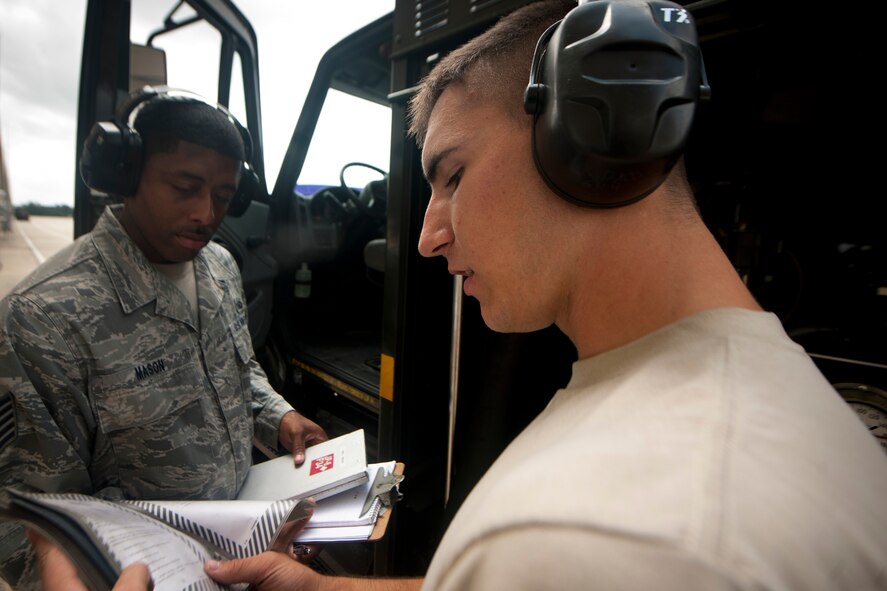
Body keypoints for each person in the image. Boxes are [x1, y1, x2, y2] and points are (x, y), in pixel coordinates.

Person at [33, 0, 887, 589]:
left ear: (588, 136)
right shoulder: (758, 390)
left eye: (450, 174)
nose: (424, 232)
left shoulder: (584, 536)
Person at [0, 88, 327, 588]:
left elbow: (240, 371)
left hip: (247, 547)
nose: (206, 214)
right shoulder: (43, 317)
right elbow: (28, 518)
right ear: (126, 176)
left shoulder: (218, 266)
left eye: (223, 196)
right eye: (184, 186)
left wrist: (278, 417)